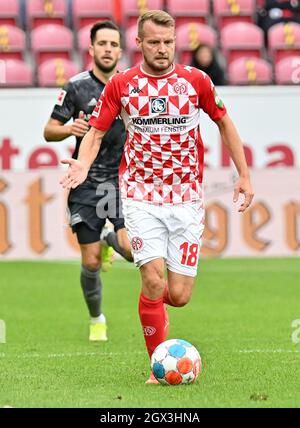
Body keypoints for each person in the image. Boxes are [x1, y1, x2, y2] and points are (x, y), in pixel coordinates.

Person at [60, 10, 254, 383]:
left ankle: (150, 305)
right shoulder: (122, 84)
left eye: (168, 42)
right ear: (139, 43)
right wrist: (82, 166)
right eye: (154, 42)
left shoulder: (196, 81)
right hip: (140, 197)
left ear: (175, 42)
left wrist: (243, 174)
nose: (162, 49)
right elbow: (97, 133)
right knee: (152, 280)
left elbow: (224, 122)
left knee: (178, 295)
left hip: (185, 200)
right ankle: (156, 367)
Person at [44, 21, 133, 342]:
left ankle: (112, 240)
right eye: (103, 43)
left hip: (123, 181)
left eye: (114, 44)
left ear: (121, 50)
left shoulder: (131, 86)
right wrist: (70, 129)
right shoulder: (76, 87)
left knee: (134, 252)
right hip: (86, 182)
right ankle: (97, 318)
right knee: (91, 261)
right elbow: (49, 130)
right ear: (92, 49)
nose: (108, 49)